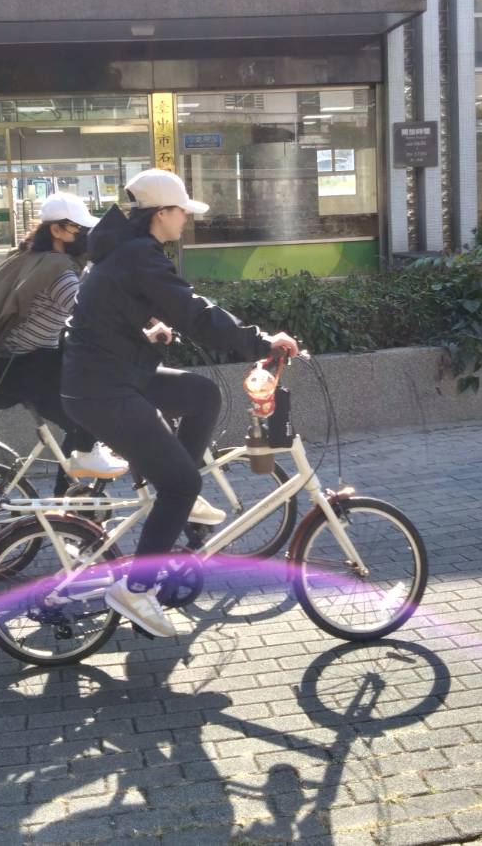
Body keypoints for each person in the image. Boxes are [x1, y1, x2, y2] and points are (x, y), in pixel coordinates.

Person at [62, 168, 299, 638]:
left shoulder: (125, 250)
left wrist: (148, 329)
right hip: (104, 389)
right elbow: (194, 312)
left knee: (202, 394)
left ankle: (178, 497)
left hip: (112, 376)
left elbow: (122, 311)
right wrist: (261, 342)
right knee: (181, 482)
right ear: (160, 214)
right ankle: (137, 588)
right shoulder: (137, 254)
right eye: (181, 212)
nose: (185, 220)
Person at [0, 193, 125, 481]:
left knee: (82, 417)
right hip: (25, 367)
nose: (85, 235)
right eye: (78, 228)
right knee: (89, 409)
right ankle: (73, 490)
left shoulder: (33, 258)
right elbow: (88, 313)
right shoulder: (57, 271)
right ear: (56, 230)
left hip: (16, 364)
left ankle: (72, 496)